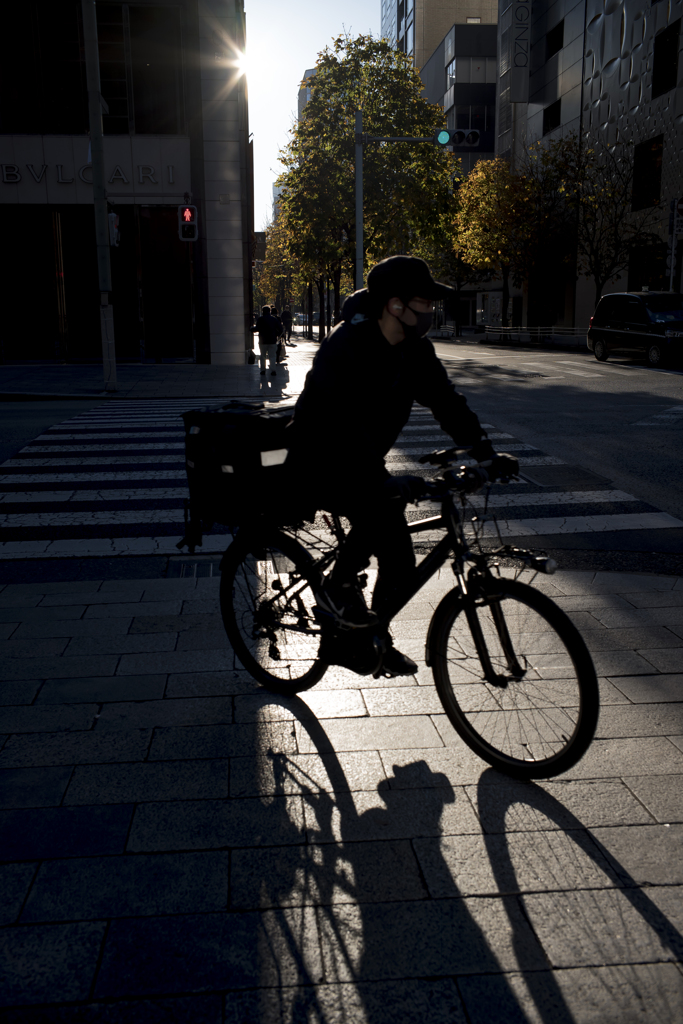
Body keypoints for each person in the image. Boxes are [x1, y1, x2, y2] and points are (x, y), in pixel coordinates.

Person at [290, 255, 518, 677]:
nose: (432, 313)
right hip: (318, 456)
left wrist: (485, 453)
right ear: (395, 306)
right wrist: (388, 479)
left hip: (362, 459)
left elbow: (446, 401)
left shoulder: (414, 350)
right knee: (380, 508)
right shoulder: (347, 346)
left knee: (398, 559)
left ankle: (371, 638)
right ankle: (340, 594)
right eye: (425, 304)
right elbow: (339, 421)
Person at [251, 305, 279, 376]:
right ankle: (273, 370)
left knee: (262, 356)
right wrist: (277, 335)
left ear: (263, 311)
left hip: (263, 341)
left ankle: (263, 370)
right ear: (269, 311)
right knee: (272, 356)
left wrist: (251, 329)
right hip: (272, 340)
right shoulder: (274, 319)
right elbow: (280, 329)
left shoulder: (260, 319)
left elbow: (257, 328)